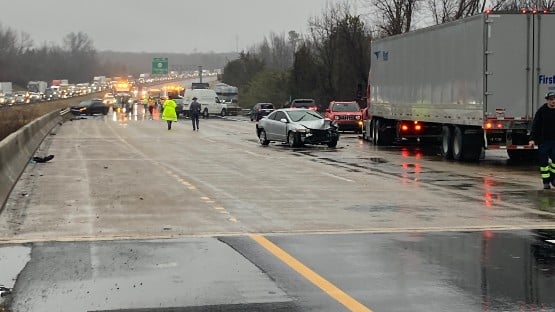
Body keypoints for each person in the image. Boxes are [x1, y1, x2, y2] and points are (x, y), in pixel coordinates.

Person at [529, 91, 555, 189]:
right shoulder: (542, 111)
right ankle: (546, 182)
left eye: (554, 99)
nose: (553, 101)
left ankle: (553, 178)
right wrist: (532, 139)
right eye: (551, 99)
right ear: (547, 100)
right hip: (543, 141)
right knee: (543, 163)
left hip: (554, 141)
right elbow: (535, 126)